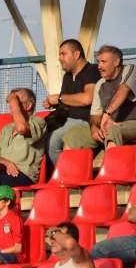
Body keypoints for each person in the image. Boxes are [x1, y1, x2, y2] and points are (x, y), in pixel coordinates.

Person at [63, 45, 136, 151]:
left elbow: (123, 89)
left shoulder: (131, 70)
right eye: (98, 62)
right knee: (72, 135)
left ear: (116, 62)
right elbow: (95, 114)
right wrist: (93, 127)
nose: (99, 66)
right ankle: (68, 163)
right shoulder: (100, 84)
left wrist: (107, 114)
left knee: (113, 131)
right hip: (110, 126)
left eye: (103, 62)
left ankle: (112, 162)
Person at [42, 39, 101, 173]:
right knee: (37, 135)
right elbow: (68, 101)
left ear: (76, 54)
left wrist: (60, 98)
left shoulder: (93, 71)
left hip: (84, 121)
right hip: (65, 120)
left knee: (52, 141)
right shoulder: (67, 76)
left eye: (63, 54)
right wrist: (56, 103)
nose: (59, 58)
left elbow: (88, 98)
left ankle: (65, 178)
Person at [0, 88, 47, 191]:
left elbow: (22, 129)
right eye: (12, 102)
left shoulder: (39, 122)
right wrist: (6, 162)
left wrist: (12, 101)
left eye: (17, 101)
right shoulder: (7, 128)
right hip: (3, 170)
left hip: (23, 174)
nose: (12, 106)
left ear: (28, 106)